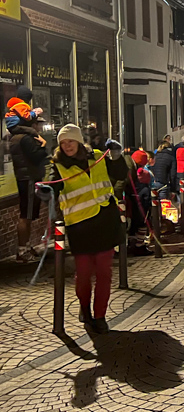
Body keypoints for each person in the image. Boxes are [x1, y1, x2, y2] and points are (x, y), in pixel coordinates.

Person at [48, 125, 128, 333]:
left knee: (104, 272)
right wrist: (46, 190)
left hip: (105, 222)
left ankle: (100, 316)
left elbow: (120, 173)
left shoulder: (98, 156)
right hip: (80, 227)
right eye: (63, 143)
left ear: (79, 141)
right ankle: (85, 308)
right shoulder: (58, 166)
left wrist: (117, 155)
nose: (67, 146)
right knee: (83, 275)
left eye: (70, 141)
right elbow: (52, 185)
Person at [5, 87, 49, 263]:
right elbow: (37, 156)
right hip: (28, 178)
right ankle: (22, 251)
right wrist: (44, 146)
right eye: (37, 123)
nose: (38, 126)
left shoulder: (18, 136)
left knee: (28, 214)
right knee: (26, 214)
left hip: (26, 177)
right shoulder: (25, 138)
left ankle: (25, 246)